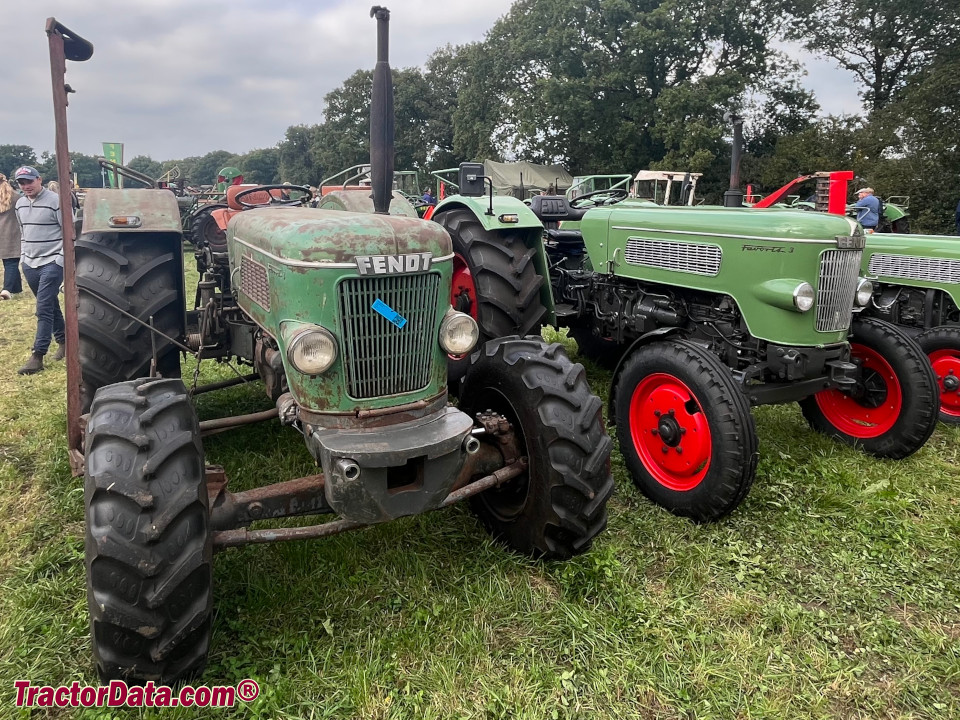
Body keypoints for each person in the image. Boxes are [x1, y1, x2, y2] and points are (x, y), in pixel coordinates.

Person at [13, 166, 65, 375]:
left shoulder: (56, 201)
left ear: (39, 180)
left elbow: (69, 231)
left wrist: (60, 259)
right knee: (50, 304)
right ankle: (64, 342)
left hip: (52, 263)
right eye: (22, 183)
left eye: (29, 181)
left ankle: (38, 355)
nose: (26, 186)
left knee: (42, 308)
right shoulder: (20, 204)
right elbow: (23, 232)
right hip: (30, 264)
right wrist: (23, 258)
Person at [0, 173, 23, 300]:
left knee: (8, 261)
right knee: (12, 261)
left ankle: (12, 288)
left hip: (2, 233)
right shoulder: (16, 197)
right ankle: (9, 289)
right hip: (13, 232)